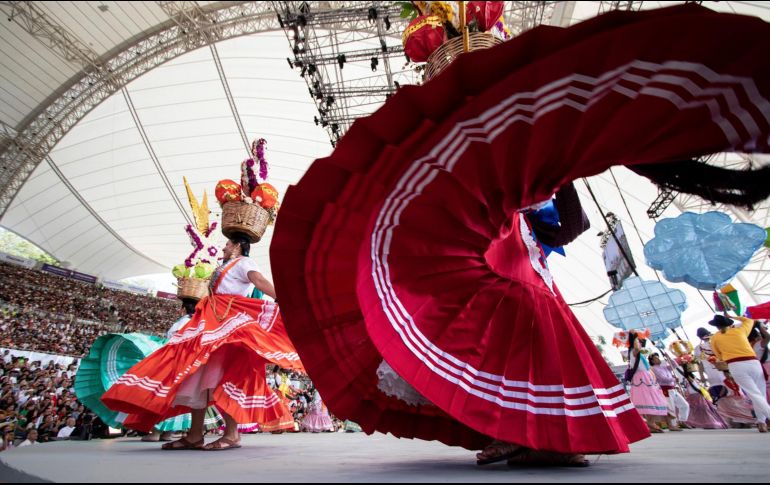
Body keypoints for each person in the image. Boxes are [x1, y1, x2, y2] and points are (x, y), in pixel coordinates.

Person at [102, 234, 304, 451]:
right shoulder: (225, 266)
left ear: (237, 246)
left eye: (228, 244)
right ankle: (194, 435)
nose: (224, 248)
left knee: (222, 377)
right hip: (210, 320)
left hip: (227, 323)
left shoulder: (244, 262)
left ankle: (232, 434)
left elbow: (259, 281)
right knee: (197, 376)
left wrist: (282, 298)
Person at [709, 315, 770, 433]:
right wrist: (732, 316)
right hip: (754, 363)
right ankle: (761, 422)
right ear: (729, 323)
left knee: (754, 394)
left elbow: (718, 355)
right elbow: (749, 320)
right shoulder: (740, 330)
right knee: (760, 394)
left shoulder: (715, 338)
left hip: (736, 365)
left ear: (716, 326)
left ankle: (763, 421)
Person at [626, 334, 669, 433]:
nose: (641, 343)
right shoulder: (633, 351)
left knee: (653, 401)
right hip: (642, 379)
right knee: (649, 400)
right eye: (639, 341)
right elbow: (637, 348)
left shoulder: (640, 354)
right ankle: (650, 424)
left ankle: (651, 423)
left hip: (647, 379)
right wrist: (634, 336)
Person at [649, 354, 687, 431]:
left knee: (685, 405)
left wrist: (668, 357)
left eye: (658, 358)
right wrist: (674, 379)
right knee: (671, 408)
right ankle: (673, 425)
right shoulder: (654, 369)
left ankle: (682, 421)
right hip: (665, 390)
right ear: (652, 361)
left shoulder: (664, 367)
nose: (658, 359)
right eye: (656, 358)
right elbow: (663, 379)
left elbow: (674, 365)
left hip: (673, 389)